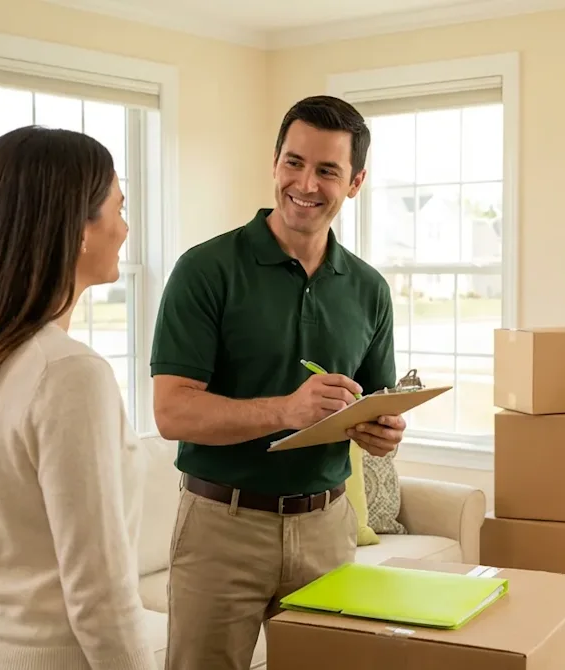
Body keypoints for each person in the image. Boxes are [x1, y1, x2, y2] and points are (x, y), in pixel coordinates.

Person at [151, 95, 406, 670]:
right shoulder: (205, 270)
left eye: (327, 170)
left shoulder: (369, 290)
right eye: (294, 162)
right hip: (222, 528)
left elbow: (373, 404)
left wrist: (382, 431)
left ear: (356, 182)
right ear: (274, 164)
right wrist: (285, 411)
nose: (305, 184)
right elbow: (172, 413)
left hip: (328, 529)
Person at [0, 126, 157, 670]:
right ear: (78, 229)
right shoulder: (70, 374)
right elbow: (100, 595)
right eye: (118, 208)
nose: (125, 228)